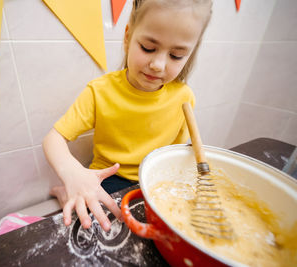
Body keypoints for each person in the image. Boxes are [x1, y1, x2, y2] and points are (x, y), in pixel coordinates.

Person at [42, 0, 212, 232]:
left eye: (176, 55)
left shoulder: (185, 98)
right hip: (111, 178)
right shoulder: (100, 91)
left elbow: (174, 153)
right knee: (94, 224)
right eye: (148, 48)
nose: (158, 65)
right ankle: (65, 194)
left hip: (155, 179)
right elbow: (53, 138)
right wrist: (73, 175)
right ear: (128, 37)